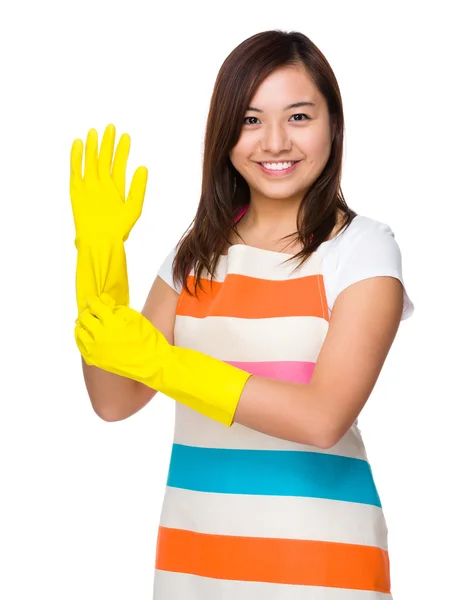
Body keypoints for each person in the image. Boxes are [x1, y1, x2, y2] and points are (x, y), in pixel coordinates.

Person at [71, 30, 415, 600]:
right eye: (251, 119)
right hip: (195, 559)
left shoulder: (363, 249)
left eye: (299, 116)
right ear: (225, 131)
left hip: (322, 565)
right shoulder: (195, 256)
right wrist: (98, 267)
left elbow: (321, 418)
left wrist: (166, 364)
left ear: (334, 123)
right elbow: (114, 399)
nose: (275, 141)